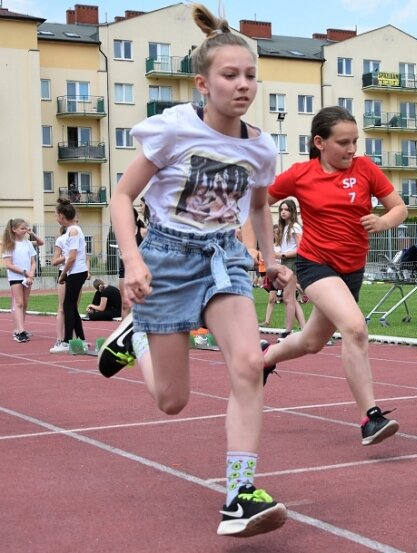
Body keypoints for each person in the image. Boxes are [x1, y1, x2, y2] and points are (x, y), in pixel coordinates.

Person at [96, 4, 290, 538]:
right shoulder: (172, 130)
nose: (243, 84)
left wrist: (269, 259)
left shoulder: (261, 146)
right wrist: (132, 260)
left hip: (223, 256)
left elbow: (257, 206)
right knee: (172, 401)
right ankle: (134, 337)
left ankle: (239, 494)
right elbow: (121, 196)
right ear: (203, 83)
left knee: (250, 364)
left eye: (250, 75)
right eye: (230, 75)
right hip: (164, 258)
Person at [260, 105, 408, 446]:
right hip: (316, 265)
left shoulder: (366, 169)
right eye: (343, 142)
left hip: (352, 269)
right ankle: (370, 417)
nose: (352, 149)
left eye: (355, 141)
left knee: (312, 341)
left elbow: (398, 208)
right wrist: (260, 252)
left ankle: (264, 359)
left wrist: (383, 221)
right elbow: (258, 203)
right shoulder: (300, 174)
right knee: (355, 328)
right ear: (320, 142)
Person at [2, 218, 43, 342]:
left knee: (25, 303)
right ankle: (20, 331)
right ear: (14, 229)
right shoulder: (9, 244)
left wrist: (31, 274)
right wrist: (25, 272)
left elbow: (33, 261)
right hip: (16, 277)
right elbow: (9, 264)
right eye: (22, 228)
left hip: (27, 277)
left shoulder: (28, 243)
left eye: (26, 228)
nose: (25, 230)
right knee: (19, 303)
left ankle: (20, 328)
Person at [56, 199, 90, 345]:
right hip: (76, 272)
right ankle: (81, 339)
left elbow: (72, 257)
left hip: (77, 272)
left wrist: (62, 275)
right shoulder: (72, 230)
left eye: (56, 215)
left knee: (67, 306)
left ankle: (67, 340)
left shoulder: (74, 231)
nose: (56, 218)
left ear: (62, 216)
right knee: (71, 307)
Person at [275, 199, 306, 340]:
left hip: (291, 262)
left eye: (286, 209)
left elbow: (300, 249)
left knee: (287, 299)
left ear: (292, 212)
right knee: (290, 298)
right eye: (281, 209)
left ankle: (288, 330)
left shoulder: (295, 227)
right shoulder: (284, 227)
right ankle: (305, 329)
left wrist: (282, 254)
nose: (283, 212)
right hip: (284, 262)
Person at [118, 198, 149, 317]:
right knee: (125, 304)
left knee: (140, 304)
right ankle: (125, 333)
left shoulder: (143, 231)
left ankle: (141, 333)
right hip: (124, 270)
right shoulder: (123, 232)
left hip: (139, 271)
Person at [49, 226, 70, 352]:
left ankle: (73, 339)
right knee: (62, 307)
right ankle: (59, 339)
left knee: (73, 308)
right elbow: (54, 261)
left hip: (77, 274)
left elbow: (86, 257)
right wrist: (66, 257)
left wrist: (87, 271)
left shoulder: (79, 237)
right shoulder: (61, 240)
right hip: (64, 273)